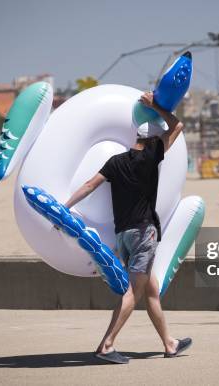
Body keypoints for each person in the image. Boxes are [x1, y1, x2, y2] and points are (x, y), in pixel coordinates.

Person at [63, 91, 192, 364]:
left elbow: (88, 185)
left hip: (123, 236)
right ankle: (106, 345)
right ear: (153, 139)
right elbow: (177, 126)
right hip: (144, 233)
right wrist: (155, 104)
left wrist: (64, 207)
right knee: (133, 293)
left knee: (151, 290)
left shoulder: (115, 162)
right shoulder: (152, 156)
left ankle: (169, 344)